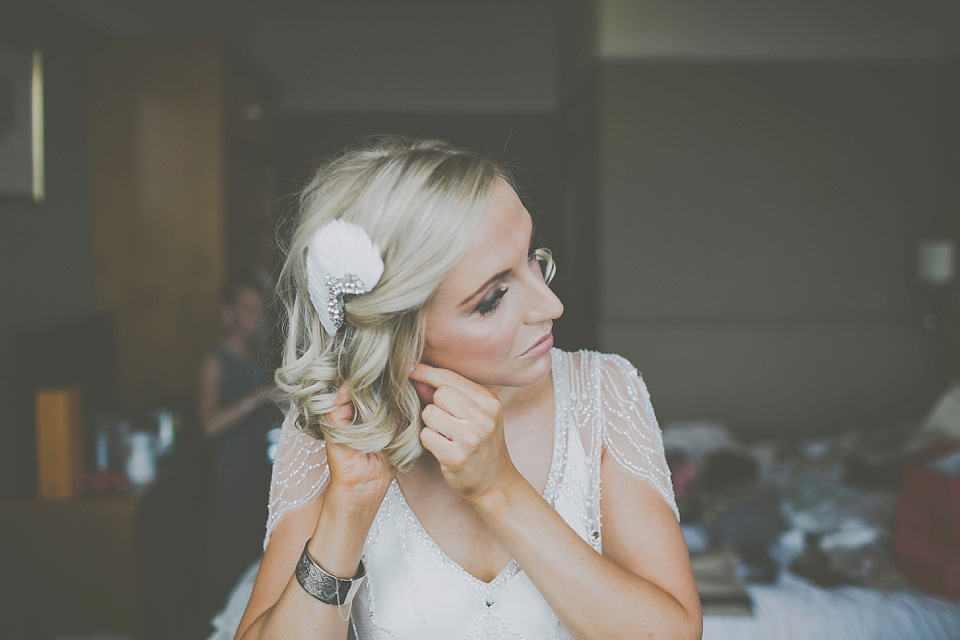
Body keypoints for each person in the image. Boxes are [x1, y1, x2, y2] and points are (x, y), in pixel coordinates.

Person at [228, 137, 702, 639]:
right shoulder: (333, 430)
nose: (550, 305)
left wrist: (498, 487)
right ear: (399, 332)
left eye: (533, 257)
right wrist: (349, 509)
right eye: (493, 297)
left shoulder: (603, 390)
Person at [198, 269, 284, 617]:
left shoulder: (258, 355)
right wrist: (257, 397)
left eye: (260, 309)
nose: (257, 318)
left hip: (258, 468)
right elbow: (209, 425)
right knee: (230, 557)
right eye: (249, 309)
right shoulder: (215, 359)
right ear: (229, 312)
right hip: (230, 471)